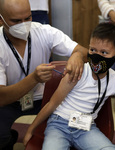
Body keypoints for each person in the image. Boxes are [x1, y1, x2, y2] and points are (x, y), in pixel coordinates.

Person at [24, 23, 115, 150]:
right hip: (59, 124)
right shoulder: (78, 72)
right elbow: (52, 104)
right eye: (92, 50)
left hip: (86, 128)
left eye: (104, 52)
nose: (96, 56)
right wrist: (32, 129)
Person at [0, 0, 88, 149]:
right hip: (10, 102)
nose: (23, 24)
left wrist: (77, 56)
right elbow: (1, 98)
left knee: (70, 130)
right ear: (1, 20)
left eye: (27, 18)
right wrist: (34, 79)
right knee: (2, 137)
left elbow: (83, 51)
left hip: (44, 100)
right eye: (16, 21)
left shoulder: (44, 31)